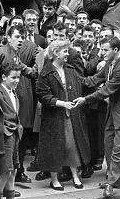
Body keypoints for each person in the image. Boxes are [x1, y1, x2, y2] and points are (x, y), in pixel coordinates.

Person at [73, 37, 120, 199]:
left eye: (105, 50)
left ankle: (110, 183)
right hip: (114, 112)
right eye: (101, 49)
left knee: (118, 150)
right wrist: (73, 78)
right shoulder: (111, 63)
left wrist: (85, 100)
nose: (101, 53)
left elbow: (105, 91)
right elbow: (95, 79)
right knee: (108, 146)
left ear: (116, 50)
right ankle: (116, 180)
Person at [0, 24, 38, 184]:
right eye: (17, 37)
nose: (20, 40)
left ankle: (10, 179)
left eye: (23, 37)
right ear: (8, 38)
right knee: (0, 142)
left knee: (14, 139)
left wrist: (38, 63)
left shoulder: (17, 55)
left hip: (11, 101)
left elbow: (28, 72)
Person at [36, 40, 90, 190]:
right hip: (54, 116)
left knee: (72, 145)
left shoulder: (70, 69)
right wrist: (61, 103)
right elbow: (42, 95)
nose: (67, 54)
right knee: (55, 147)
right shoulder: (46, 72)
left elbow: (82, 83)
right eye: (65, 51)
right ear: (55, 53)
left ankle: (75, 176)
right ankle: (54, 179)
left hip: (71, 115)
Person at [0, 63, 33, 199]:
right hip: (3, 136)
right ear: (3, 77)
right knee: (5, 171)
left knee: (13, 169)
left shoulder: (12, 92)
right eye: (13, 77)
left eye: (18, 77)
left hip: (14, 134)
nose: (16, 81)